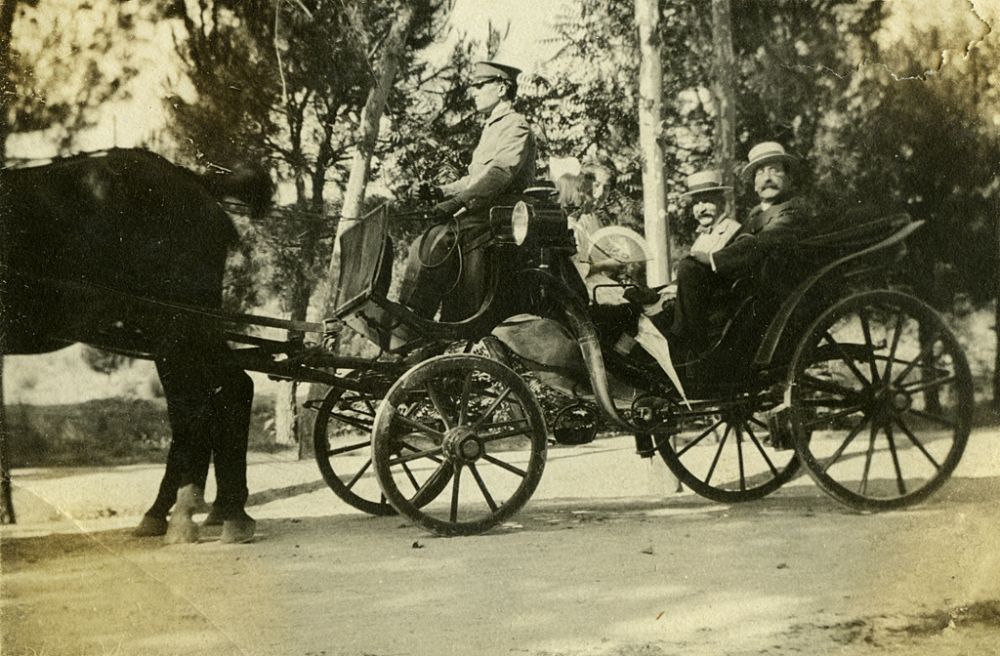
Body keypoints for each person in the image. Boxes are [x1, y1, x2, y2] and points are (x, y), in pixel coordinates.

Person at [399, 61, 537, 322]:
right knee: (428, 239)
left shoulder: (516, 125)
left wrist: (456, 203)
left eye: (479, 86)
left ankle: (418, 318)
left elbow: (499, 174)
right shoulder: (492, 127)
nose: (473, 92)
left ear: (501, 88)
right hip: (483, 213)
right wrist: (440, 191)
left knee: (438, 239)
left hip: (501, 216)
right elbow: (475, 178)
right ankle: (420, 317)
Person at [667, 141, 813, 356]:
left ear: (789, 179)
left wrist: (712, 259)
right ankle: (682, 343)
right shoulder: (755, 213)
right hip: (746, 287)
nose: (767, 178)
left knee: (690, 269)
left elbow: (762, 242)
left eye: (775, 170)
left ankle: (694, 352)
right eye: (760, 173)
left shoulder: (792, 210)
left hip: (771, 291)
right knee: (687, 273)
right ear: (754, 184)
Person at [682, 168, 741, 259]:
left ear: (721, 202)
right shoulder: (700, 238)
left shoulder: (733, 230)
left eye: (707, 201)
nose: (701, 210)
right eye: (696, 203)